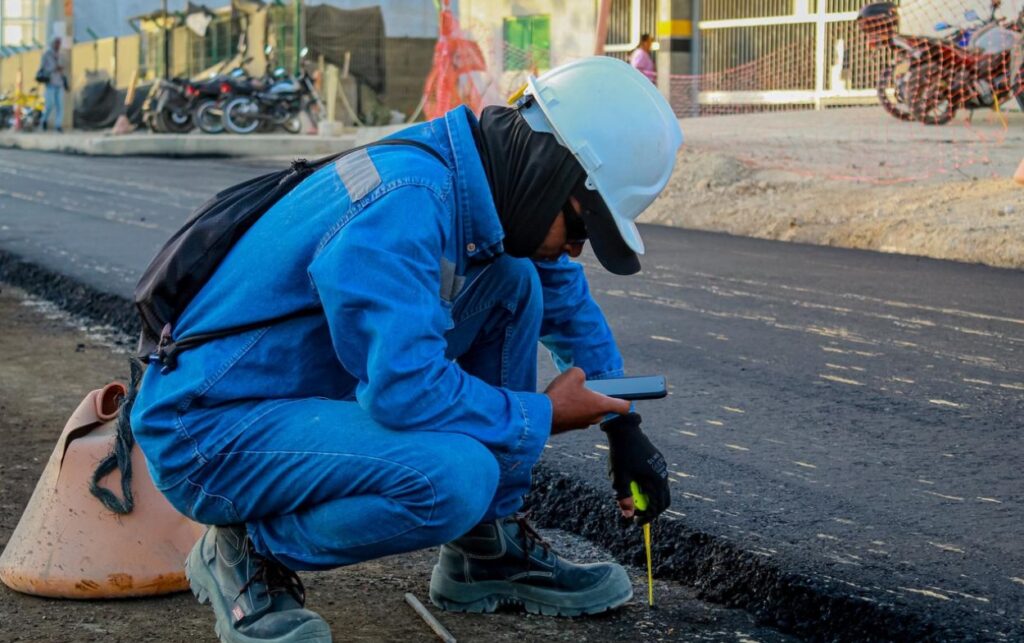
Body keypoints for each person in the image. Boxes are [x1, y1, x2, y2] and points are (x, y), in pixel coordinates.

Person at [131, 56, 682, 643]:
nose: (575, 251)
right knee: (455, 478)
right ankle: (244, 550)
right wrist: (543, 415)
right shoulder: (406, 199)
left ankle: (487, 549)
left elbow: (565, 301)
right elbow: (406, 392)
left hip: (288, 398)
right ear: (549, 173)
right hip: (211, 430)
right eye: (579, 231)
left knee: (514, 282)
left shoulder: (470, 181)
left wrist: (622, 421)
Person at [37, 37, 67, 132]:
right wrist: (54, 68)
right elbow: (43, 68)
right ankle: (44, 120)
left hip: (59, 83)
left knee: (60, 106)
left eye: (59, 43)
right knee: (50, 104)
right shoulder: (47, 55)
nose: (58, 45)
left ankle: (58, 125)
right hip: (50, 82)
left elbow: (63, 67)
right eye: (56, 43)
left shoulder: (61, 55)